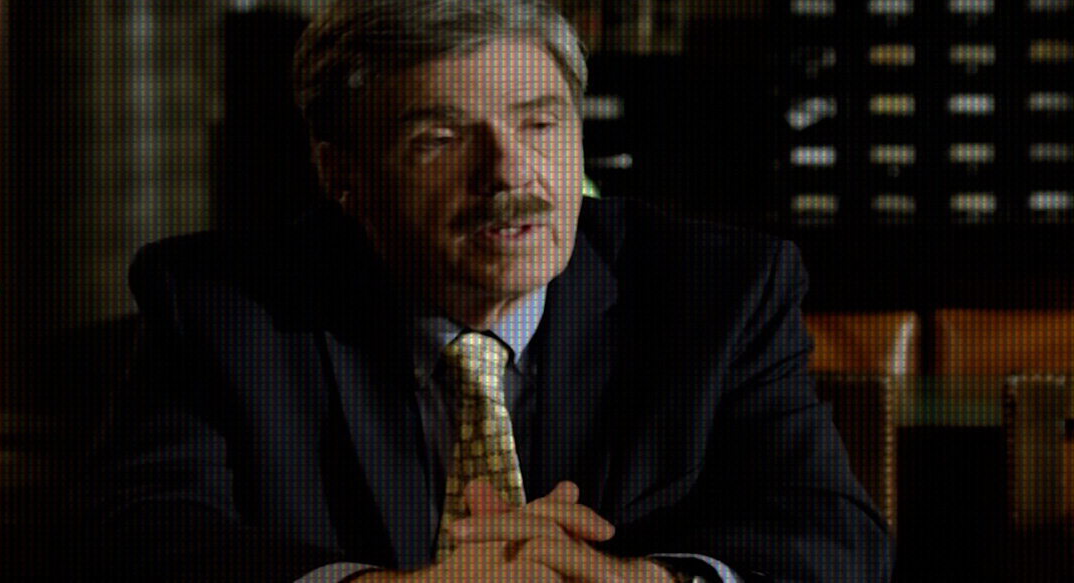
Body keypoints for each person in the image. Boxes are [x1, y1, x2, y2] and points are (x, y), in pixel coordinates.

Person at [73, 1, 893, 581]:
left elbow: (833, 533)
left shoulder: (717, 291)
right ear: (341, 173)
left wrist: (651, 581)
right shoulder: (223, 307)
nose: (508, 173)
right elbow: (141, 533)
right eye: (439, 138)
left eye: (540, 123)